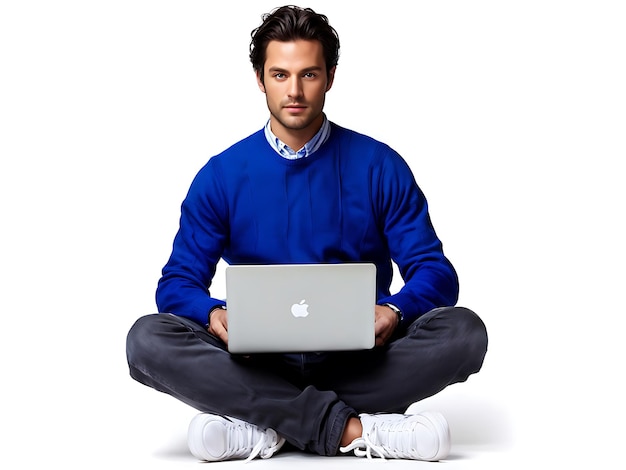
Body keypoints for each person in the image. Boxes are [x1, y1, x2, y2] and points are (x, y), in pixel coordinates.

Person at [126, 5, 488, 463]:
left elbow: (435, 272)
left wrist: (395, 311)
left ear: (330, 76)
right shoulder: (221, 176)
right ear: (260, 79)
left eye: (309, 74)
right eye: (280, 75)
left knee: (465, 332)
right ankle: (354, 429)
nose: (294, 91)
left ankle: (264, 422)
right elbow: (176, 283)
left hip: (360, 355)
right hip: (254, 360)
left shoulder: (380, 166)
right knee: (146, 340)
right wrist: (213, 312)